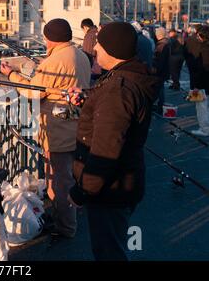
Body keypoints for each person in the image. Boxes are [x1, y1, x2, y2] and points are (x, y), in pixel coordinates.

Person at [67, 22, 161, 261]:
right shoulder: (126, 78)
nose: (95, 47)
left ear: (114, 49)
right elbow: (114, 114)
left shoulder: (118, 90)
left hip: (111, 190)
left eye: (100, 43)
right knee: (113, 247)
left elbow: (105, 150)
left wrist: (81, 192)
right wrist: (88, 99)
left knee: (109, 253)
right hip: (122, 183)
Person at [1, 18, 91, 238]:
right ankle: (70, 217)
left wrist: (11, 74)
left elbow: (33, 91)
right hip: (77, 124)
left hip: (58, 128)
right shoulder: (80, 55)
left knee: (60, 181)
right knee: (71, 174)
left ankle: (66, 227)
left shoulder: (55, 61)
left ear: (49, 38)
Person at [188, 25, 209, 137]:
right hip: (206, 84)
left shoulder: (203, 49)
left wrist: (196, 86)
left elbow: (202, 70)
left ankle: (204, 129)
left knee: (201, 107)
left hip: (203, 85)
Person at [153, 27, 171, 113]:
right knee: (161, 88)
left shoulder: (161, 45)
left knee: (159, 88)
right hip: (164, 70)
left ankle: (160, 106)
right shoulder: (166, 43)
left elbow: (160, 60)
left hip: (160, 71)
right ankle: (161, 105)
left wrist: (156, 69)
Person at [184, 24, 203, 91]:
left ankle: (192, 90)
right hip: (200, 61)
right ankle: (198, 91)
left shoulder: (189, 39)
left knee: (192, 76)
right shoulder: (202, 39)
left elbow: (185, 50)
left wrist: (186, 59)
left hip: (190, 61)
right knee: (199, 77)